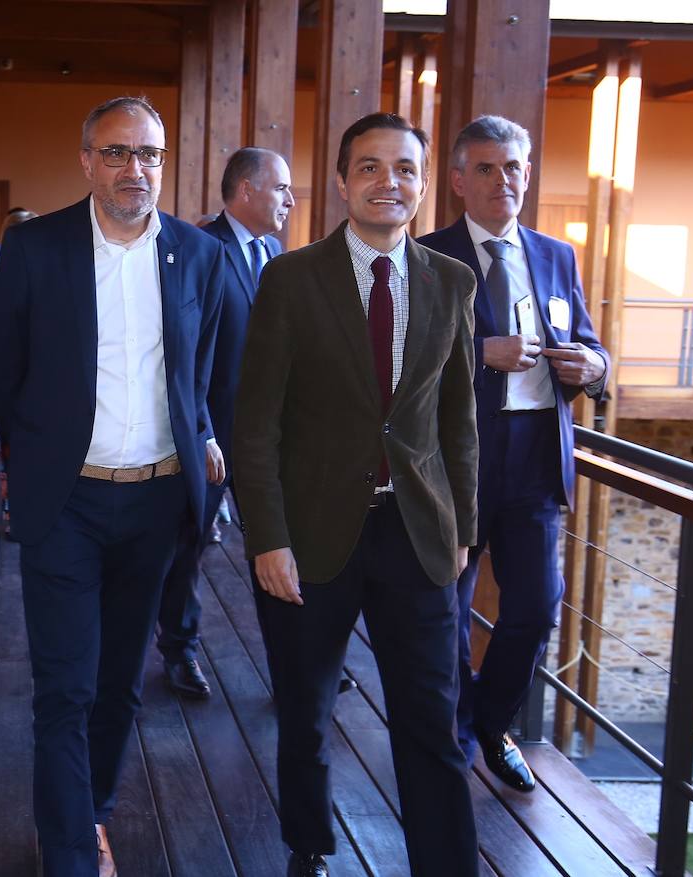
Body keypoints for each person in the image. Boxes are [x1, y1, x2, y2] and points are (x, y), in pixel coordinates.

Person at [233, 112, 480, 877]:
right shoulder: (291, 278)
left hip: (418, 532)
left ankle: (447, 863)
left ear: (422, 183)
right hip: (310, 534)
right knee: (306, 710)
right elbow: (255, 422)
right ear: (341, 183)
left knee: (429, 718)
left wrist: (463, 527)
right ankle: (309, 844)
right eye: (369, 167)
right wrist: (267, 536)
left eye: (403, 168)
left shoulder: (453, 280)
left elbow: (458, 417)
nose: (387, 182)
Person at [0, 95, 225, 877]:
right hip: (65, 502)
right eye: (117, 153)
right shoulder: (36, 247)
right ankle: (69, 857)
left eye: (148, 154)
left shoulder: (197, 255)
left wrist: (209, 437)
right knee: (63, 687)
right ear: (87, 160)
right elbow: (1, 368)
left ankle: (91, 813)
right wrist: (28, 457)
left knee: (119, 685)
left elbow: (209, 369)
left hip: (158, 502)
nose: (135, 169)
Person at [419, 114, 608, 792]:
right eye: (488, 168)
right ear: (459, 181)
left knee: (536, 603)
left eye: (515, 169)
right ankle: (453, 733)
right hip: (457, 460)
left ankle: (488, 723)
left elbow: (589, 340)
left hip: (535, 457)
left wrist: (594, 366)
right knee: (444, 610)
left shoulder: (556, 255)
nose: (504, 181)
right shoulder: (428, 257)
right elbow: (400, 366)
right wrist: (479, 353)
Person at [158, 147, 291, 699]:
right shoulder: (199, 248)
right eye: (280, 188)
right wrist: (204, 431)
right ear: (245, 191)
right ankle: (179, 651)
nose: (289, 199)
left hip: (269, 437)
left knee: (280, 546)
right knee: (187, 547)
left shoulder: (277, 252)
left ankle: (293, 660)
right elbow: (186, 352)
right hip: (211, 435)